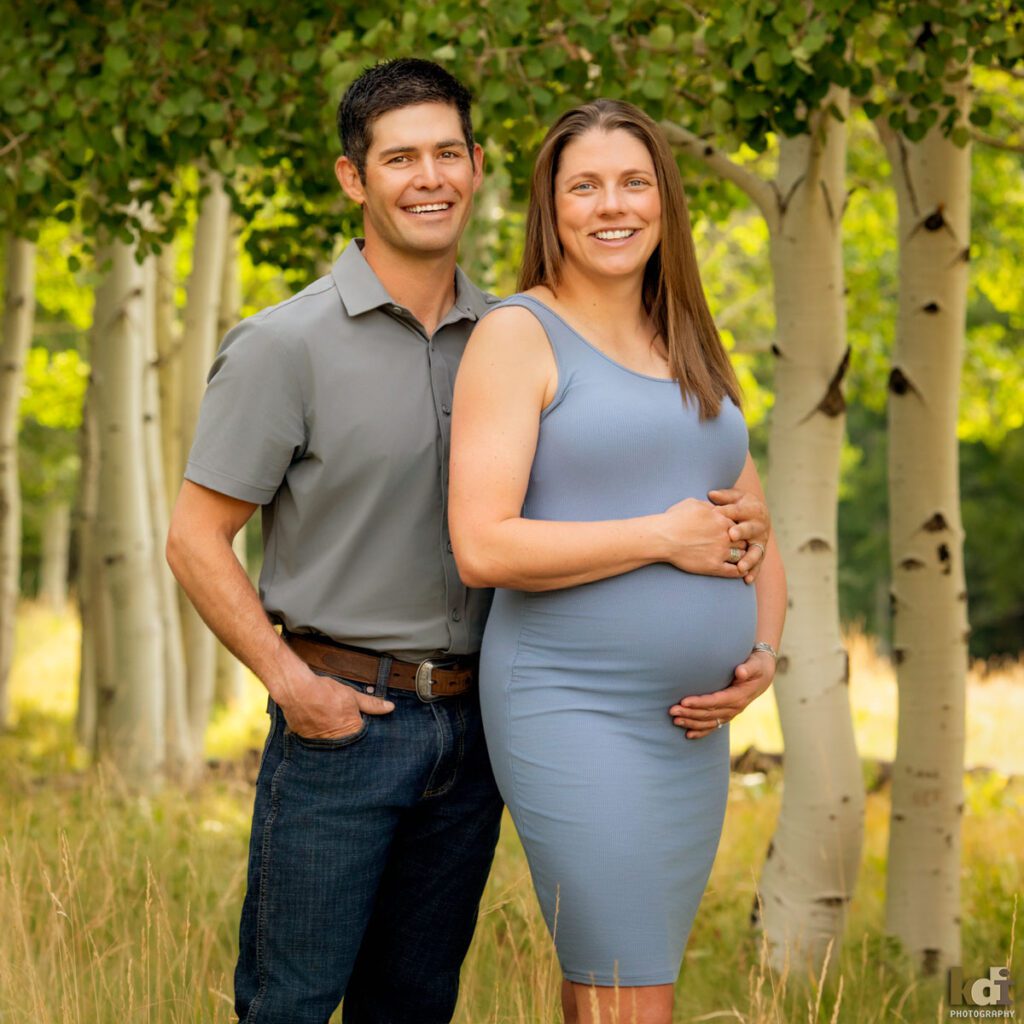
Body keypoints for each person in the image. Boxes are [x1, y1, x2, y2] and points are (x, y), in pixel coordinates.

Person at [168, 59, 771, 1022]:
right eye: (400, 157)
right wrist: (291, 685)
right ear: (352, 178)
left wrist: (748, 554)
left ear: (480, 167)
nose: (430, 176)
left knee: (413, 1004)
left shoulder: (519, 329)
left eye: (449, 152)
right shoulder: (288, 346)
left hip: (477, 721)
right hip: (346, 718)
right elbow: (196, 538)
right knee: (290, 1004)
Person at [449, 99, 787, 1024]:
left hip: (691, 731)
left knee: (627, 976)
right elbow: (482, 544)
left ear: (665, 201)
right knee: (627, 985)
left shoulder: (688, 338)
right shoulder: (518, 335)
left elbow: (752, 521)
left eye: (634, 182)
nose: (613, 205)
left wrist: (762, 656)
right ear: (549, 208)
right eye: (585, 185)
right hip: (570, 702)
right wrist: (659, 537)